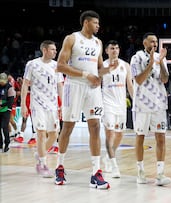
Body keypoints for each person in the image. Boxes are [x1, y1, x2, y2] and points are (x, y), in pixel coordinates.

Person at [55, 10, 117, 189]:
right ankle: (60, 166)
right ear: (86, 22)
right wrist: (85, 74)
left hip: (92, 89)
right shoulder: (72, 38)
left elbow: (98, 69)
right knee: (67, 127)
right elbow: (60, 66)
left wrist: (107, 69)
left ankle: (96, 172)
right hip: (74, 85)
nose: (98, 26)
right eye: (96, 23)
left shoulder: (98, 42)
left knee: (95, 126)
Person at [130, 32, 171, 186]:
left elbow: (165, 79)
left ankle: (160, 174)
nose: (154, 44)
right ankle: (140, 172)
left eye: (156, 42)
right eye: (151, 41)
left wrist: (160, 62)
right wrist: (150, 64)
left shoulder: (161, 58)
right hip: (141, 105)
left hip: (159, 104)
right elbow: (139, 79)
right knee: (140, 137)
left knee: (161, 138)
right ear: (144, 43)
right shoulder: (136, 58)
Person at [20, 40, 64, 177]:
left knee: (54, 135)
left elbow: (60, 85)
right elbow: (25, 84)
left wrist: (61, 104)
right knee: (40, 132)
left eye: (55, 49)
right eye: (52, 49)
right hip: (37, 104)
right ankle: (43, 164)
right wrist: (23, 104)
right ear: (44, 50)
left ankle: (40, 154)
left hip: (52, 105)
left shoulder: (56, 66)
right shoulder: (32, 64)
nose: (55, 52)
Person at [101, 40, 133, 178]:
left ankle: (108, 156)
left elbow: (130, 85)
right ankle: (114, 165)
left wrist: (135, 101)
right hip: (107, 104)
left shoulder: (125, 65)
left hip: (121, 105)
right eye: (112, 48)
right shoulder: (102, 65)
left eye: (117, 48)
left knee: (120, 134)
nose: (115, 50)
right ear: (107, 51)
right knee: (110, 134)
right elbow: (96, 83)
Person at [0, 72, 15, 152]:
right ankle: (0, 144)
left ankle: (7, 143)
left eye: (3, 81)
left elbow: (11, 101)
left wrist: (2, 104)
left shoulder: (9, 88)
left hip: (6, 110)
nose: (2, 83)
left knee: (4, 127)